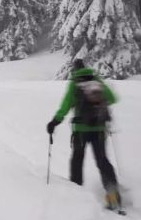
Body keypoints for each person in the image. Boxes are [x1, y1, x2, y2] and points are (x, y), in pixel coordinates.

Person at [46, 59, 121, 207]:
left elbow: (65, 106)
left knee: (77, 160)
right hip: (99, 130)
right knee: (102, 161)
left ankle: (76, 193)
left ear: (74, 70)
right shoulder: (97, 81)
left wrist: (55, 122)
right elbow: (113, 99)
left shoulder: (75, 84)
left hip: (81, 131)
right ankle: (113, 196)